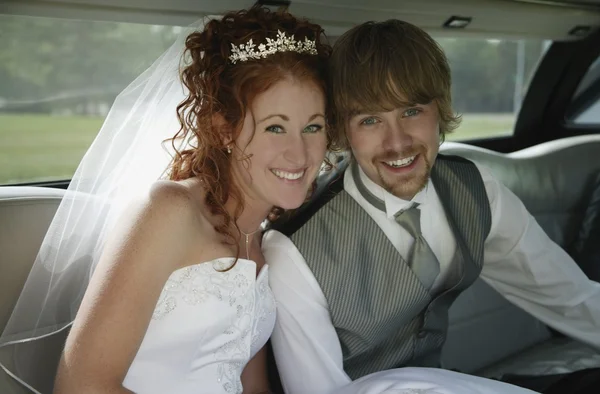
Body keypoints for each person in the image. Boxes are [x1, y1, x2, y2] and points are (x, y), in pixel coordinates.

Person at [0, 6, 332, 394]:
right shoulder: (169, 211)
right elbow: (81, 385)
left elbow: (248, 384)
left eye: (313, 126)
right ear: (224, 130)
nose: (300, 153)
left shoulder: (257, 238)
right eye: (276, 127)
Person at [263, 18, 600, 394]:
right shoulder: (294, 250)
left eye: (412, 111)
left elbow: (568, 297)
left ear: (439, 110)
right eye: (370, 120)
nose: (398, 143)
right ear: (342, 129)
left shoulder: (475, 190)